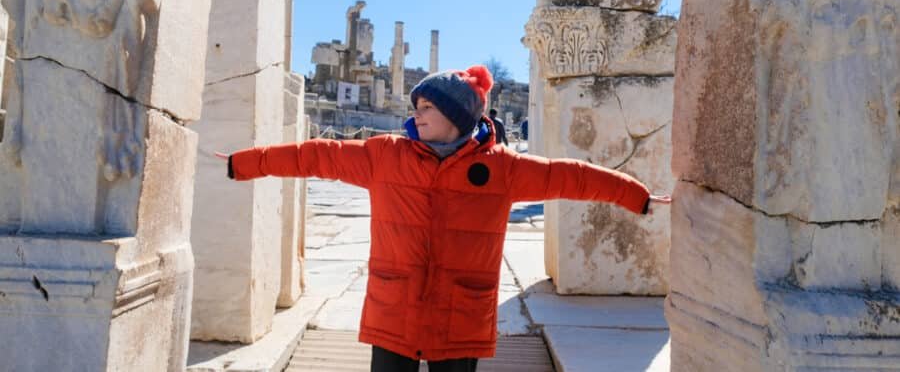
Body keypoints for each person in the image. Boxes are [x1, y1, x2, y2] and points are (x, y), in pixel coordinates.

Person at [219, 65, 671, 372]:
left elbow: (569, 178)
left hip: (461, 314)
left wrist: (638, 196)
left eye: (427, 108)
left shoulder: (503, 168)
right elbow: (315, 156)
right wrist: (244, 162)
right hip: (396, 309)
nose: (416, 114)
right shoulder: (385, 155)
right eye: (417, 107)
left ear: (456, 116)